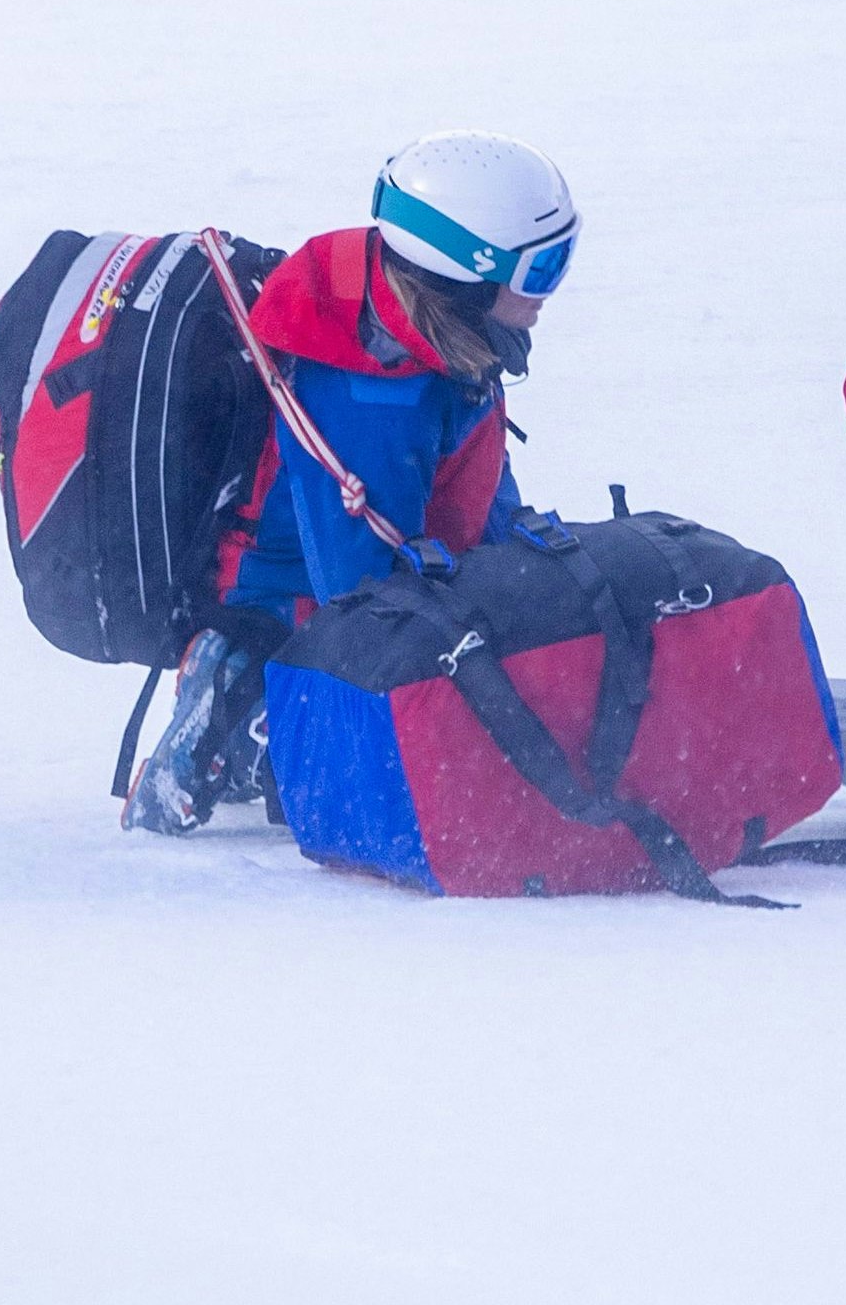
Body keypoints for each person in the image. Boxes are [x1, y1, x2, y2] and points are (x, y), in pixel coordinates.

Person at [121, 132, 581, 833]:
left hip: (375, 567)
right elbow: (360, 598)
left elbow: (478, 489)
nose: (552, 292)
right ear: (468, 273)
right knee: (380, 748)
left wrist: (531, 590)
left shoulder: (440, 335)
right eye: (542, 269)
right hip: (288, 600)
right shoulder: (373, 394)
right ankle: (237, 699)